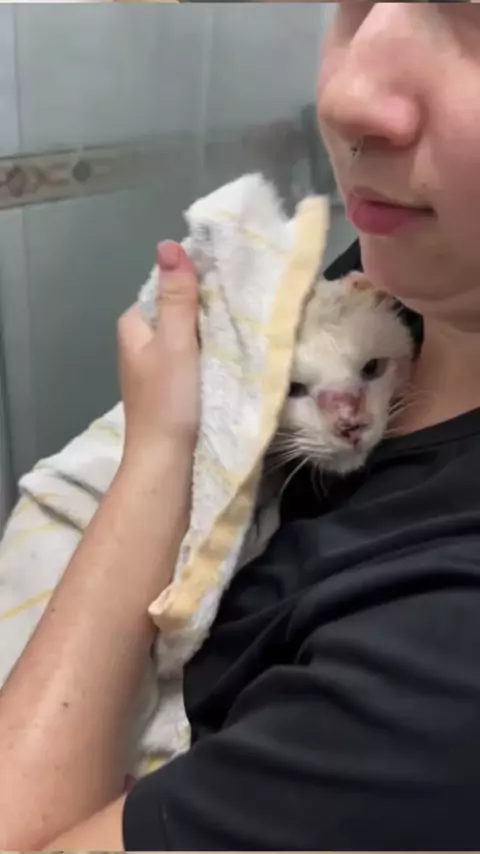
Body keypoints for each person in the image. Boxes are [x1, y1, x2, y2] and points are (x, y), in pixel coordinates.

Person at [2, 1, 480, 848]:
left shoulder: (439, 665)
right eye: (359, 2)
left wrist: (158, 448)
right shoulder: (407, 276)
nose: (343, 95)